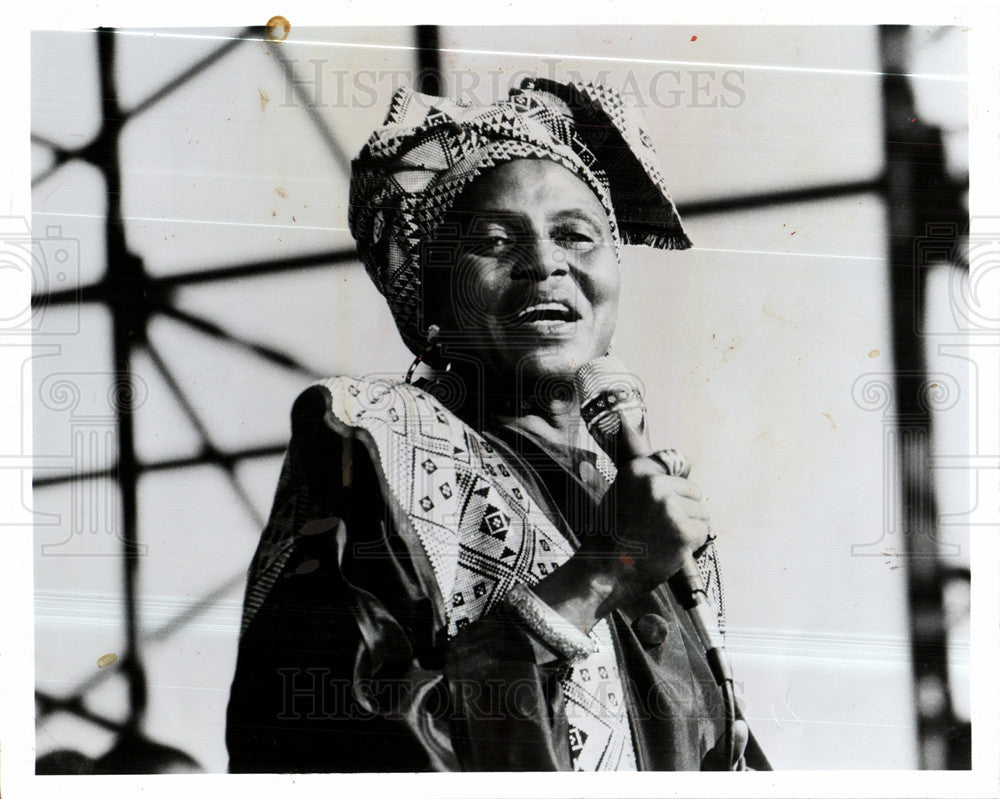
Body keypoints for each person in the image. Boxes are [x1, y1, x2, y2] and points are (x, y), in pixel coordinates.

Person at [225, 77, 769, 772]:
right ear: (432, 291)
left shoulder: (642, 502)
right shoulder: (372, 440)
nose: (546, 263)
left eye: (576, 235)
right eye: (494, 241)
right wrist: (601, 573)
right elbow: (317, 737)